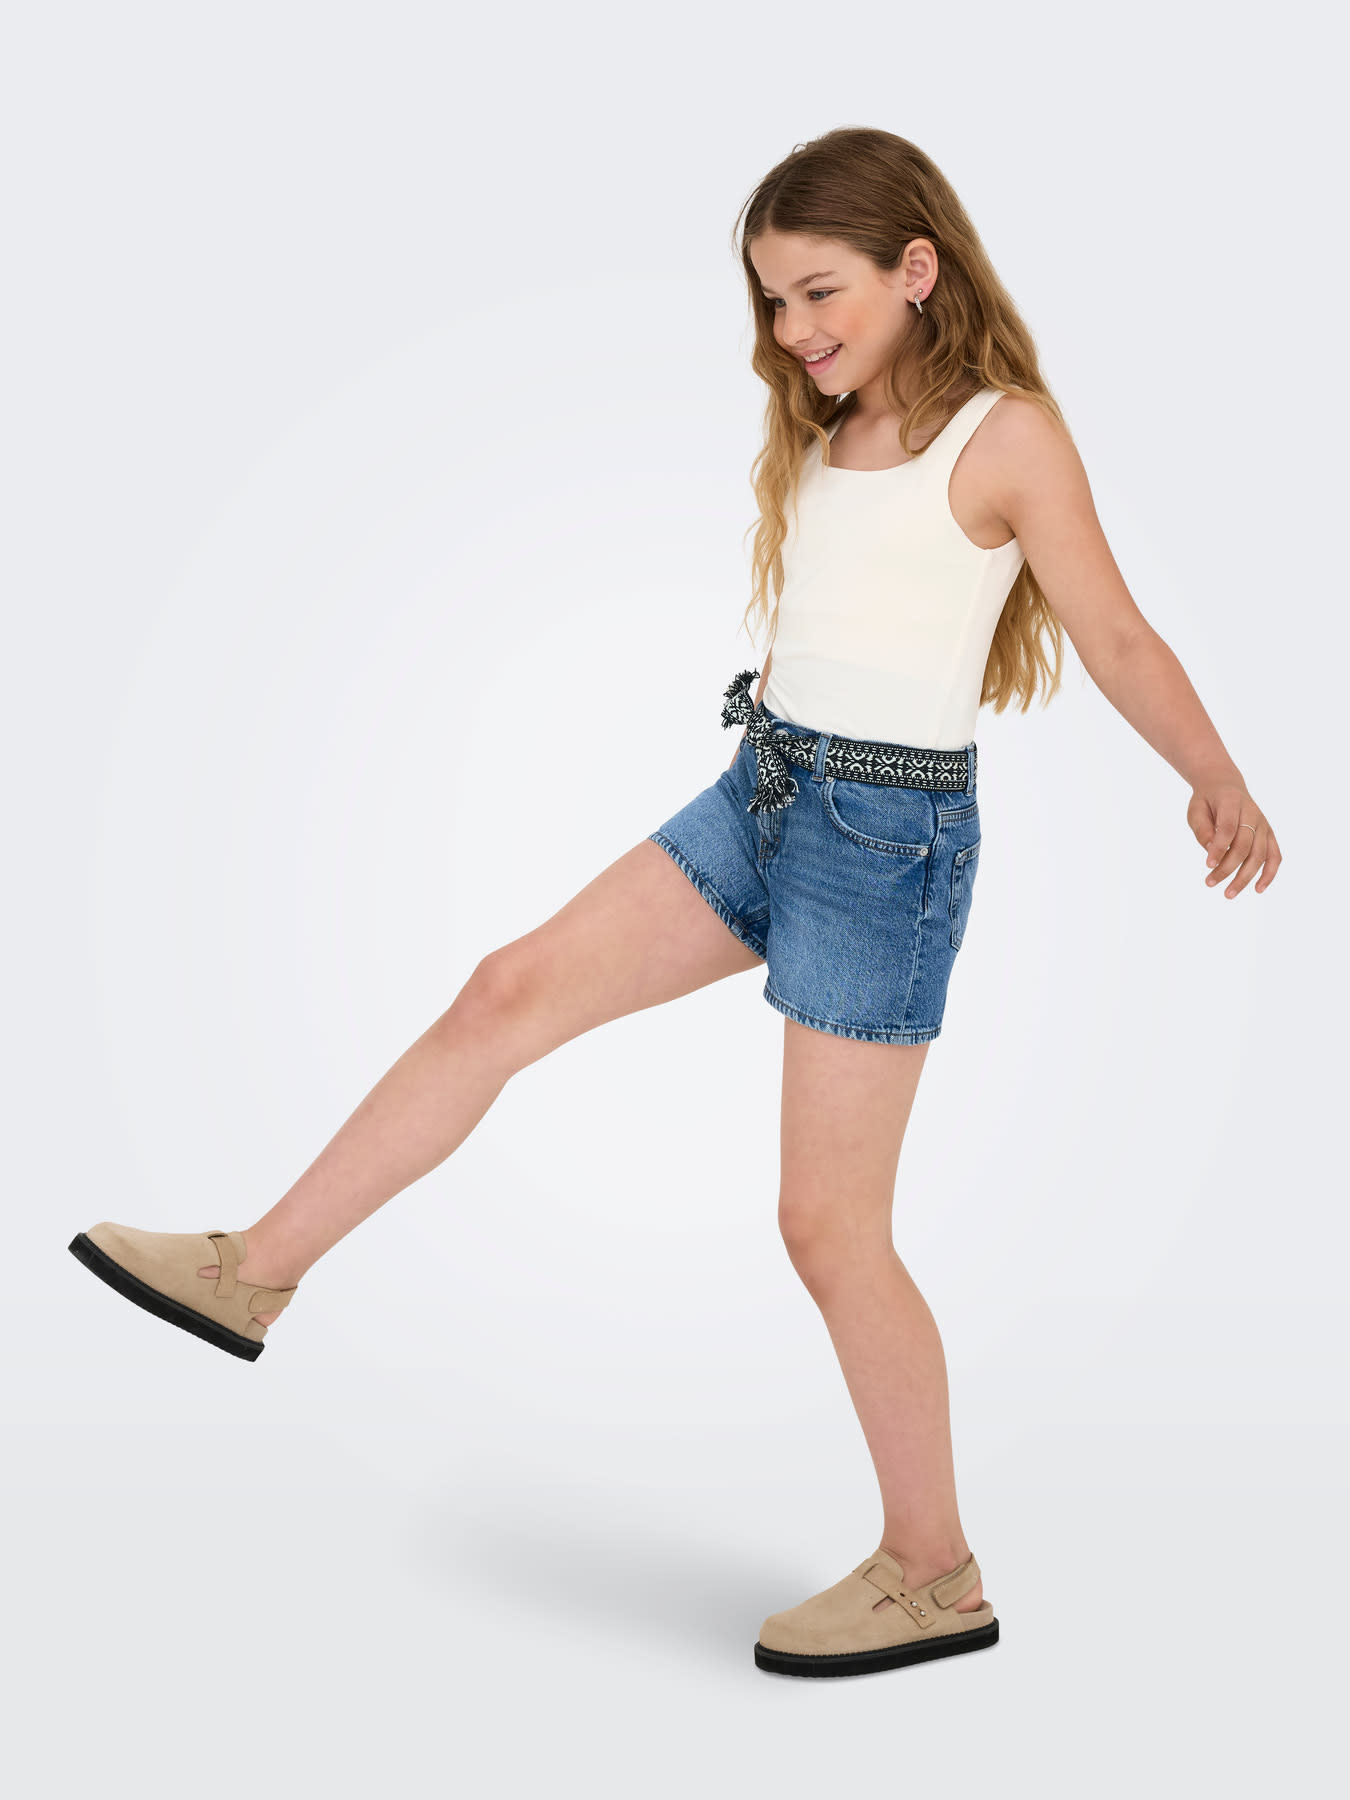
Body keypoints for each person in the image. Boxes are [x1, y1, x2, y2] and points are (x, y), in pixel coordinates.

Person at [68, 126, 1280, 1680]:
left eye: (820, 292)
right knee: (503, 990)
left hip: (884, 842)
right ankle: (252, 1274)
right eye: (773, 299)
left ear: (917, 269)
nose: (793, 328)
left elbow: (1111, 632)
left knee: (826, 1225)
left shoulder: (1005, 437)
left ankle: (934, 1571)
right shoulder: (828, 421)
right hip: (761, 791)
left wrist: (1211, 773)